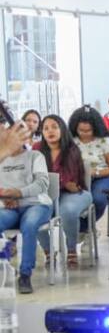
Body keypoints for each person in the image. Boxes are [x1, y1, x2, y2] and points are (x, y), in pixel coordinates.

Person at [33, 115, 91, 267]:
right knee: (34, 213)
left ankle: (71, 249)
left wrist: (52, 181)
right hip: (46, 193)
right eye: (45, 128)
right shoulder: (36, 149)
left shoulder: (72, 149)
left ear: (62, 129)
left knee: (68, 211)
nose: (50, 131)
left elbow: (70, 178)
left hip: (74, 193)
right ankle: (48, 251)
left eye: (54, 127)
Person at [0, 126, 50, 294]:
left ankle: (25, 274)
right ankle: (4, 266)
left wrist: (19, 193)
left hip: (36, 204)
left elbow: (42, 184)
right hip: (8, 206)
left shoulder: (35, 156)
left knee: (29, 225)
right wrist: (5, 197)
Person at [69, 106, 109, 230]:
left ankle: (84, 229)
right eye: (81, 130)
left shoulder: (104, 142)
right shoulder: (70, 141)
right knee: (72, 201)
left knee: (98, 199)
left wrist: (95, 172)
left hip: (102, 177)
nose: (84, 134)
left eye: (88, 131)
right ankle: (83, 229)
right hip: (78, 179)